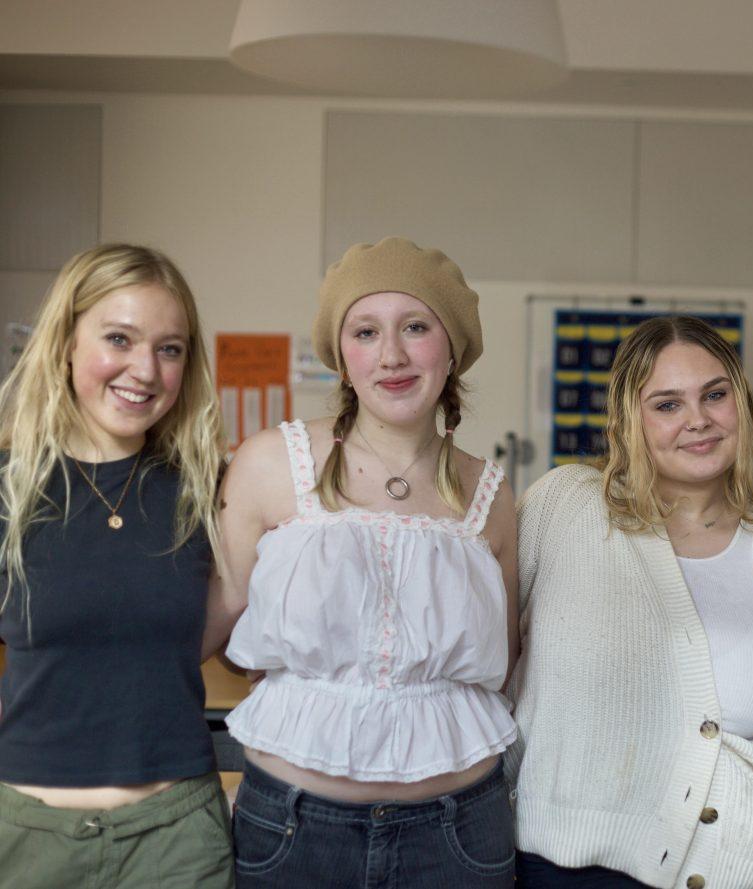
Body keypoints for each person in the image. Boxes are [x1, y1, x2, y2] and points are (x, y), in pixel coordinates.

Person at [207, 237, 519, 888]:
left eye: (415, 327)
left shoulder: (491, 496)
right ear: (341, 356)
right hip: (294, 832)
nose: (392, 355)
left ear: (453, 347)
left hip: (460, 836)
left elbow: (506, 665)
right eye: (366, 331)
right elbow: (207, 631)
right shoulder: (269, 463)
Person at [508, 315, 753, 889]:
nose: (698, 420)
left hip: (751, 861)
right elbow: (494, 670)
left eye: (715, 395)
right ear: (627, 421)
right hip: (575, 866)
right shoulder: (564, 510)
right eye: (667, 404)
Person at [0, 244, 231, 888]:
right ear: (66, 344)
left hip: (177, 841)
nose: (145, 370)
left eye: (169, 348)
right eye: (119, 339)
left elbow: (240, 653)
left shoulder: (207, 489)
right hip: (25, 837)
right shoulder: (7, 490)